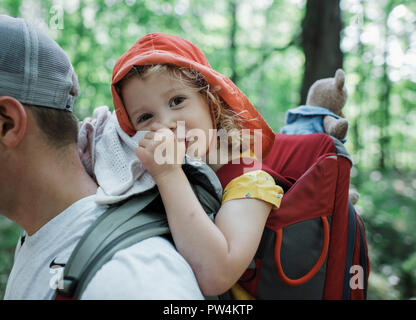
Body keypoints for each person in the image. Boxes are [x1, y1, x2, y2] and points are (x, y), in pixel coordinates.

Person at [0, 15, 204, 300]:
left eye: (177, 101)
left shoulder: (132, 282)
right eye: (146, 116)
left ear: (6, 123)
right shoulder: (41, 235)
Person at [102, 33, 285, 299]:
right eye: (145, 117)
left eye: (177, 101)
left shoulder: (250, 180)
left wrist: (167, 173)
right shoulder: (162, 171)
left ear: (211, 102)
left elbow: (215, 275)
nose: (165, 123)